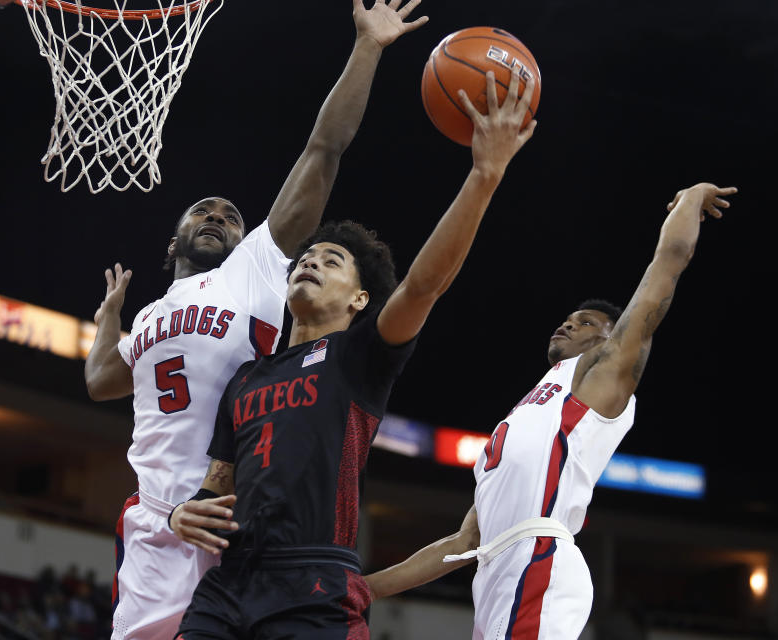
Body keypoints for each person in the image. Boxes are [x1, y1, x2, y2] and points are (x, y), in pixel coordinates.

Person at [82, 2, 428, 638]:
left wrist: (368, 48)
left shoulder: (258, 265)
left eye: (230, 215)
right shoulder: (156, 313)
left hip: (239, 516)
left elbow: (324, 150)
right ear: (174, 240)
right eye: (202, 210)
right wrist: (110, 319)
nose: (216, 216)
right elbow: (102, 379)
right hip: (157, 519)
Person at [169, 69, 536, 639]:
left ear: (360, 298)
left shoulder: (360, 356)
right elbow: (217, 484)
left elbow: (423, 285)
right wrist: (179, 511)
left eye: (332, 260)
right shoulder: (245, 378)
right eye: (307, 255)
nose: (311, 260)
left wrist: (485, 175)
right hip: (228, 582)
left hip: (313, 583)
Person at [360, 182, 737, 639]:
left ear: (607, 339)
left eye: (585, 323)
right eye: (569, 318)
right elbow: (464, 543)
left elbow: (665, 269)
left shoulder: (598, 377)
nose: (568, 323)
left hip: (539, 558)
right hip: (495, 573)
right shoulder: (524, 412)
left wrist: (693, 200)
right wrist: (364, 589)